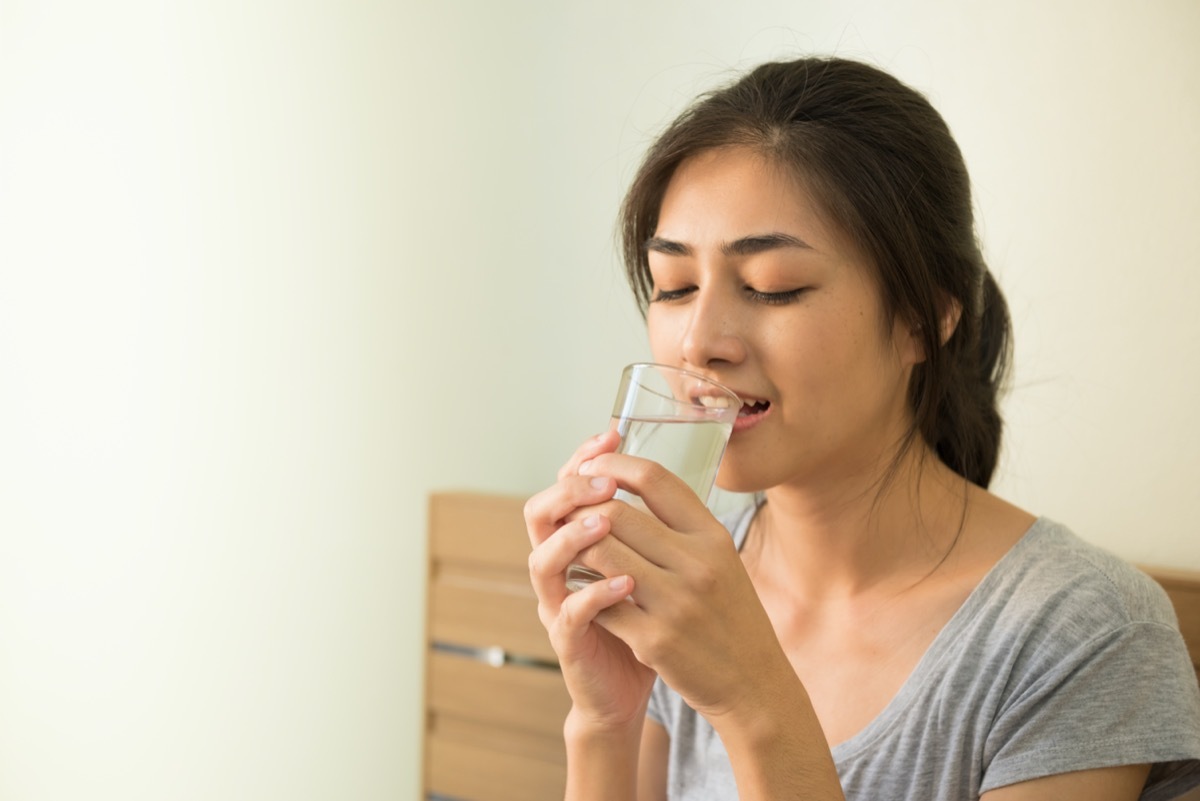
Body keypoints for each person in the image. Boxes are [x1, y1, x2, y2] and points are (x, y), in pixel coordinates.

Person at [523, 56, 1200, 800]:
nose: (699, 341)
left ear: (924, 318)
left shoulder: (1082, 634)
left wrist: (754, 702)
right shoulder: (684, 575)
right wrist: (602, 719)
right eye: (676, 287)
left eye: (772, 288)